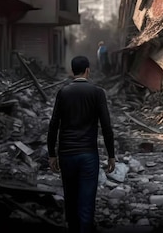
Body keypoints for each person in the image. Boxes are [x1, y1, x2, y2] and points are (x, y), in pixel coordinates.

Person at [48, 55, 116, 233]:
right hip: (88, 156)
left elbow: (54, 124)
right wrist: (111, 155)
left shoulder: (63, 93)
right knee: (86, 203)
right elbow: (106, 126)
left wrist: (51, 154)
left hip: (66, 154)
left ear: (72, 71)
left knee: (70, 200)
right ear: (88, 70)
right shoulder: (97, 92)